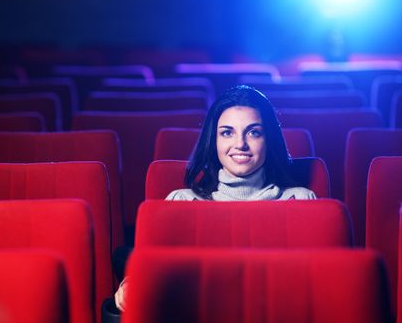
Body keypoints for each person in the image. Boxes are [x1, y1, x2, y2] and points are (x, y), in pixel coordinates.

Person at [114, 85, 316, 312]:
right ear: (214, 140)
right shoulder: (181, 202)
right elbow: (145, 274)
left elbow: (321, 283)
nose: (240, 144)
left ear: (269, 139)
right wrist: (129, 286)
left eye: (253, 132)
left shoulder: (301, 201)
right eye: (227, 132)